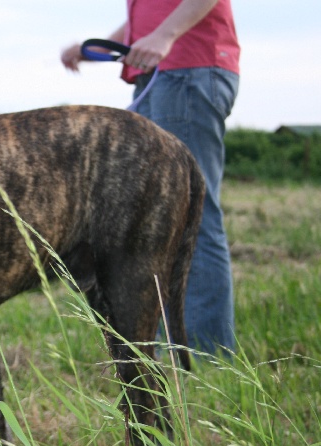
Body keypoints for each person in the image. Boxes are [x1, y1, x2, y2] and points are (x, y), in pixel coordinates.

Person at [61, 0, 240, 357]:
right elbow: (146, 18)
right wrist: (93, 47)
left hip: (188, 72)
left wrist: (164, 35)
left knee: (192, 216)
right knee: (151, 223)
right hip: (161, 76)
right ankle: (154, 344)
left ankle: (210, 354)